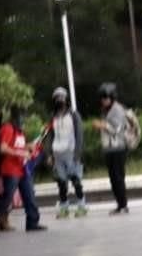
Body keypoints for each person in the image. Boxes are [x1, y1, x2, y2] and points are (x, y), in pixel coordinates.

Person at [0, 105, 47, 234]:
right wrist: (21, 153)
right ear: (16, 118)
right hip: (10, 169)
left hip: (22, 168)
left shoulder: (19, 131)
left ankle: (32, 222)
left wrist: (29, 146)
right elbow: (3, 148)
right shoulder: (8, 128)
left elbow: (19, 145)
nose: (24, 120)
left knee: (29, 195)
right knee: (6, 198)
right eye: (22, 117)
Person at [46, 87, 87, 218]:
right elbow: (49, 136)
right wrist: (49, 155)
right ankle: (64, 207)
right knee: (61, 183)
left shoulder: (74, 115)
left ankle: (82, 205)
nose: (60, 100)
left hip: (71, 152)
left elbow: (79, 135)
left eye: (62, 98)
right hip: (57, 153)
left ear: (66, 99)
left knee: (76, 181)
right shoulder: (53, 117)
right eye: (57, 98)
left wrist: (77, 155)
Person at [92, 83, 129, 215]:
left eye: (106, 97)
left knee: (118, 177)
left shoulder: (117, 109)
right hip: (109, 148)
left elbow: (117, 130)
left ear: (112, 97)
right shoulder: (106, 110)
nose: (103, 100)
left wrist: (102, 125)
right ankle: (120, 204)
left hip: (118, 148)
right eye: (102, 98)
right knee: (113, 178)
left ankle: (123, 205)